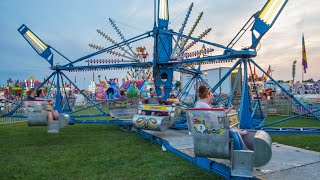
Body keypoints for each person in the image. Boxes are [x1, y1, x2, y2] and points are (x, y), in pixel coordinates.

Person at [195, 85, 247, 150]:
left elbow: (213, 116)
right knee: (233, 132)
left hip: (203, 130)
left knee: (233, 131)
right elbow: (216, 117)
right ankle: (240, 152)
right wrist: (219, 110)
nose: (212, 98)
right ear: (207, 95)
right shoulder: (204, 105)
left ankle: (241, 151)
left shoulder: (199, 104)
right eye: (211, 96)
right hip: (208, 131)